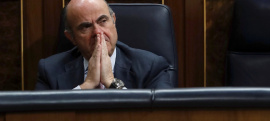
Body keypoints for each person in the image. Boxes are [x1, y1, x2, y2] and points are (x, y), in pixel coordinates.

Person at [35, 0, 173, 90]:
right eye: (86, 27)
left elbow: (163, 117)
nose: (98, 32)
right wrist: (86, 86)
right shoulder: (49, 70)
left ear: (113, 21)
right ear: (71, 37)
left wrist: (111, 82)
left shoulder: (151, 67)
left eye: (103, 21)